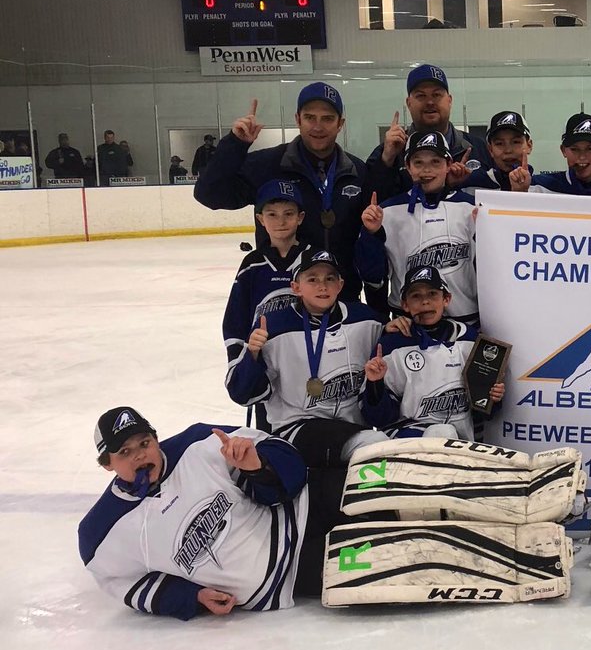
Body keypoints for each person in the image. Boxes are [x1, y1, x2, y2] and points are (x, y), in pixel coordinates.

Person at [78, 406, 310, 619]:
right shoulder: (100, 532)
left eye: (144, 443)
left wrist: (259, 466)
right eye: (125, 452)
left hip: (302, 515)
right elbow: (122, 582)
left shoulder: (198, 443)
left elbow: (286, 454)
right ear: (107, 464)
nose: (139, 455)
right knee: (345, 563)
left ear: (156, 440)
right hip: (292, 576)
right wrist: (191, 596)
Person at [193, 82, 370, 300]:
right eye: (310, 117)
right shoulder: (267, 165)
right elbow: (209, 194)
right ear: (297, 119)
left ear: (340, 123)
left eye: (327, 118)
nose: (318, 126)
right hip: (281, 295)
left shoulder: (357, 171)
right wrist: (235, 145)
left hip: (341, 296)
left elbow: (369, 241)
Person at [225, 249, 385, 467]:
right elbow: (241, 395)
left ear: (340, 284)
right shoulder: (273, 327)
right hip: (296, 428)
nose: (322, 286)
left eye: (330, 278)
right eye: (312, 279)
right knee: (375, 445)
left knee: (382, 448)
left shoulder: (366, 320)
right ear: (296, 288)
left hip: (351, 426)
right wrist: (252, 355)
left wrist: (397, 329)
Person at [361, 265, 505, 440]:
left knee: (445, 433)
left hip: (458, 441)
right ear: (405, 304)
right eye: (416, 296)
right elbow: (378, 418)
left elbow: (484, 411)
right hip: (406, 438)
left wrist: (494, 398)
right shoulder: (392, 344)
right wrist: (375, 384)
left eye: (432, 294)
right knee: (441, 433)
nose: (425, 302)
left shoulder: (469, 338)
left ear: (446, 299)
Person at [357, 131, 478, 323]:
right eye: (418, 163)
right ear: (407, 166)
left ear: (448, 165)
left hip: (466, 324)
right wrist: (371, 234)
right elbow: (373, 278)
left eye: (435, 162)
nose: (426, 170)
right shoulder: (388, 212)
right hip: (409, 325)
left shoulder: (472, 209)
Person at [222, 179, 311, 385]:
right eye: (272, 214)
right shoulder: (252, 264)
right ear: (261, 219)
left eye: (288, 214)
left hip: (307, 359)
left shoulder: (314, 260)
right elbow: (235, 318)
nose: (281, 221)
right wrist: (240, 359)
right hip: (264, 362)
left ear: (300, 217)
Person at [364, 63, 493, 199]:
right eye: (421, 96)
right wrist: (387, 161)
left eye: (436, 94)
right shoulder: (387, 152)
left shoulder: (478, 149)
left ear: (449, 100)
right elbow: (368, 205)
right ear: (408, 103)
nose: (430, 102)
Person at [459, 111, 535, 193]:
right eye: (499, 143)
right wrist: (449, 184)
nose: (508, 150)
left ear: (529, 145)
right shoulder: (469, 185)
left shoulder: (546, 186)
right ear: (490, 149)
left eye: (516, 142)